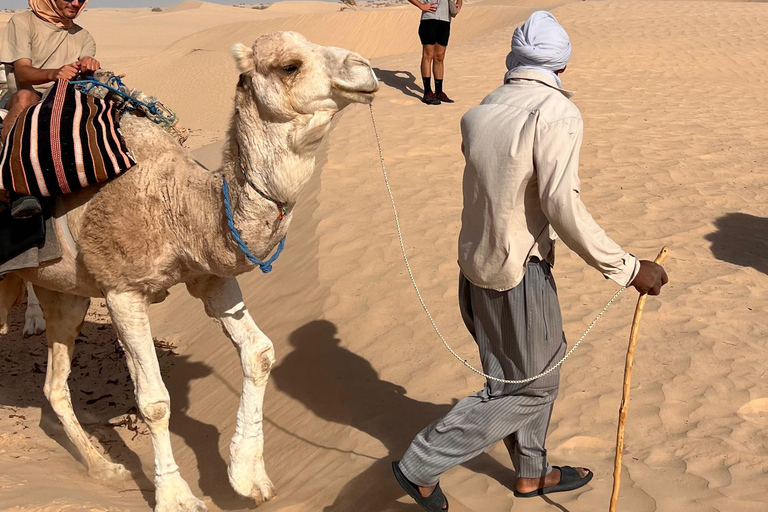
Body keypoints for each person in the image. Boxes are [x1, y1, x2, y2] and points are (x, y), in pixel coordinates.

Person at [392, 11, 668, 511]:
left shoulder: (478, 112)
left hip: (475, 267)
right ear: (561, 65)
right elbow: (563, 205)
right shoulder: (555, 112)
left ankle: (532, 473)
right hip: (521, 272)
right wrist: (629, 268)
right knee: (534, 387)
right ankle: (422, 464)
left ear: (513, 59)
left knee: (513, 377)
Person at [0, 0, 99, 218]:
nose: (76, 3)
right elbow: (23, 73)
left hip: (61, 99)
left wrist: (89, 64)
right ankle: (16, 186)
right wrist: (55, 73)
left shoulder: (83, 36)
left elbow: (85, 64)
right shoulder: (23, 22)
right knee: (26, 97)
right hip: (23, 96)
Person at [408, 0, 461, 105]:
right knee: (428, 55)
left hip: (445, 20)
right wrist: (421, 5)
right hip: (429, 19)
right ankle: (427, 92)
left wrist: (459, 3)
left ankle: (439, 91)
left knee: (440, 57)